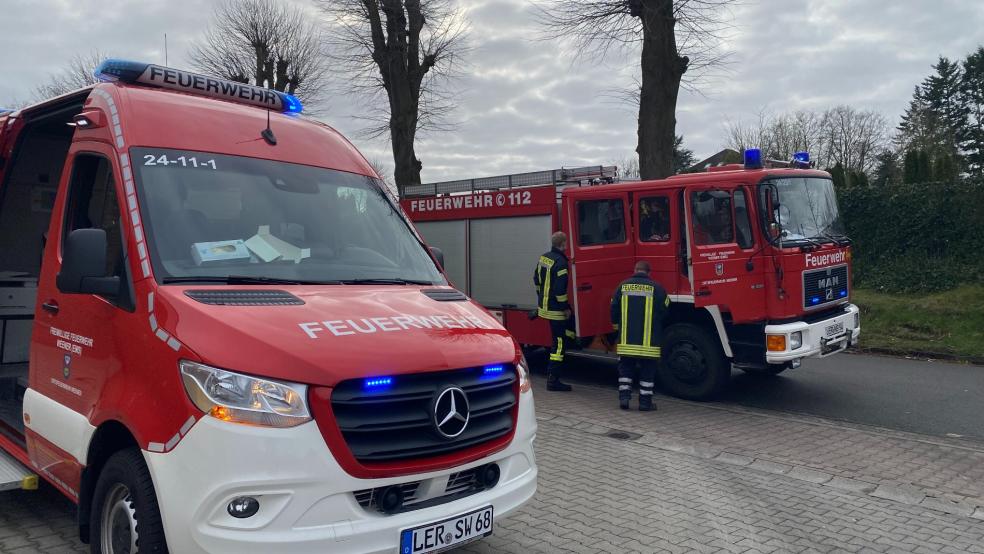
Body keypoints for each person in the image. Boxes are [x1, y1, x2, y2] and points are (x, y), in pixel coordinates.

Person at [610, 260, 670, 411]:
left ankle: (624, 399)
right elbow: (665, 309)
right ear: (649, 272)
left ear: (635, 270)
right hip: (649, 342)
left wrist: (616, 327)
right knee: (647, 373)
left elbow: (613, 307)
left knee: (625, 370)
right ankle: (645, 403)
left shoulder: (622, 286)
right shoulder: (657, 288)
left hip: (627, 340)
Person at [533, 231, 574, 392]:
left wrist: (541, 297)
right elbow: (559, 291)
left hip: (545, 307)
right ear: (563, 244)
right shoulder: (561, 263)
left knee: (564, 336)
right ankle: (553, 380)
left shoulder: (544, 258)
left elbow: (536, 280)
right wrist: (566, 308)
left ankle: (555, 375)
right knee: (559, 344)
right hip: (556, 310)